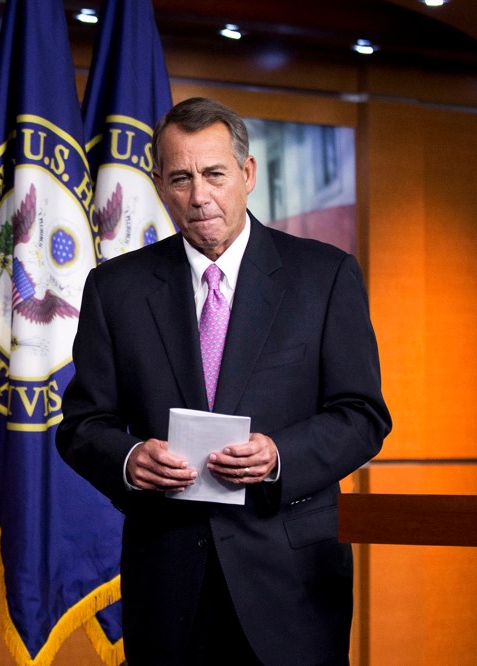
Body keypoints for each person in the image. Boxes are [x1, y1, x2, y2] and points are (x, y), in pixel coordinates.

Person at [56, 97, 391, 665]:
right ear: (159, 185)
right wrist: (130, 459)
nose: (199, 196)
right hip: (167, 589)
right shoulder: (115, 290)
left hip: (293, 588)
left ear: (247, 173)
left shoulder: (325, 276)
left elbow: (362, 415)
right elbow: (83, 425)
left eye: (214, 174)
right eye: (180, 178)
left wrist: (279, 455)